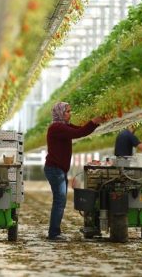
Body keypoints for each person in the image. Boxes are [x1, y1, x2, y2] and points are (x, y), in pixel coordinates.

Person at [44, 102, 105, 241]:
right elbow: (79, 132)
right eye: (67, 111)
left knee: (60, 201)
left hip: (58, 169)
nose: (70, 113)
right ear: (60, 113)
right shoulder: (56, 127)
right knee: (60, 201)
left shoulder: (63, 126)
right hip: (55, 169)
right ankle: (53, 234)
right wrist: (93, 122)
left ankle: (55, 232)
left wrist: (94, 124)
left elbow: (80, 129)